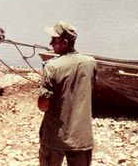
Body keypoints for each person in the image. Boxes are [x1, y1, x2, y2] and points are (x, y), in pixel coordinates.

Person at [38, 21, 97, 166]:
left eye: (54, 40)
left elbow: (43, 106)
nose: (51, 43)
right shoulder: (90, 63)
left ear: (65, 43)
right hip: (81, 137)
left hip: (55, 137)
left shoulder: (52, 67)